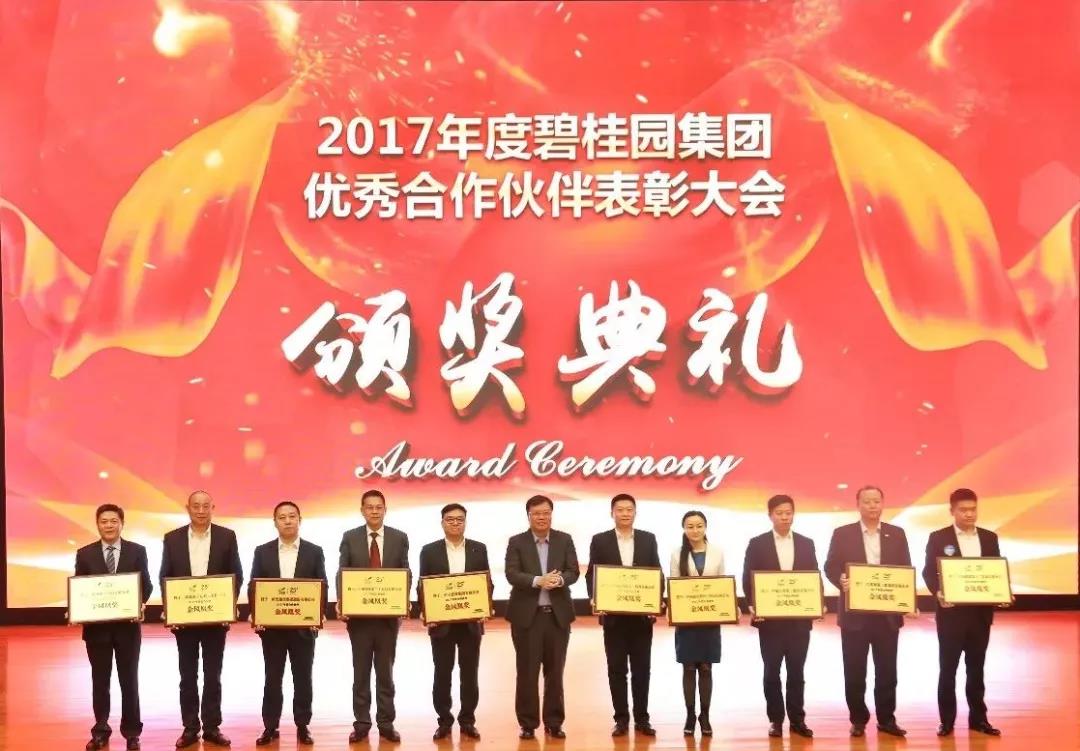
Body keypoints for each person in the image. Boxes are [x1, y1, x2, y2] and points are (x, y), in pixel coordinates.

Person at [824, 485, 912, 738]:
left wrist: (906, 599)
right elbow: (830, 566)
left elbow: (905, 568)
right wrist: (840, 579)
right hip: (855, 616)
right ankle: (858, 719)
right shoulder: (843, 534)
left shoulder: (897, 534)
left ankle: (887, 719)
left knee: (887, 671)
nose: (872, 506)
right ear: (858, 505)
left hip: (887, 615)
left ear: (882, 504)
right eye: (867, 501)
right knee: (854, 671)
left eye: (876, 501)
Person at [160, 490, 244, 749]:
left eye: (205, 506)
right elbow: (165, 575)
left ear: (212, 508)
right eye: (195, 506)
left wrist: (227, 606)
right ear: (188, 508)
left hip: (215, 620)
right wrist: (171, 609)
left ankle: (211, 727)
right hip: (184, 620)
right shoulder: (172, 538)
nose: (200, 510)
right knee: (187, 676)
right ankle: (190, 728)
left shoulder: (226, 536)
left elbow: (236, 574)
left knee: (213, 675)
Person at [922, 488, 1005, 737]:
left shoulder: (989, 537)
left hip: (980, 615)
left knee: (976, 669)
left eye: (973, 509)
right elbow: (929, 572)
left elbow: (995, 572)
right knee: (948, 669)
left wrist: (1000, 593)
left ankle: (979, 719)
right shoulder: (939, 537)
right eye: (963, 510)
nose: (969, 514)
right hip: (951, 615)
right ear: (952, 511)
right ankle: (947, 721)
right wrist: (938, 592)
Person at [250, 501, 328, 747]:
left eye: (292, 516)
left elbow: (322, 584)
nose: (287, 521)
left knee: (303, 677)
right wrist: (256, 614)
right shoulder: (262, 551)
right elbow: (254, 585)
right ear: (275, 522)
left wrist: (318, 613)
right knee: (272, 678)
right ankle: (270, 726)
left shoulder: (314, 551)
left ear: (299, 520)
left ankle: (303, 725)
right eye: (282, 517)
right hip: (272, 629)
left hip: (303, 628)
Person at [76, 503, 153, 751]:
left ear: (122, 524)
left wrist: (138, 603)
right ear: (97, 525)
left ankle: (132, 733)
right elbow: (80, 589)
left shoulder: (137, 551)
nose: (109, 525)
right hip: (96, 631)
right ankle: (100, 730)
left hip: (127, 629)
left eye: (113, 521)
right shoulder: (85, 554)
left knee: (129, 680)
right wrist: (77, 608)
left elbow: (147, 585)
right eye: (104, 521)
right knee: (100, 681)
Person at [741, 494, 818, 739]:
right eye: (779, 513)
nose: (785, 517)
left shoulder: (806, 543)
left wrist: (817, 603)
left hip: (798, 621)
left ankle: (797, 719)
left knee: (797, 672)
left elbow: (813, 576)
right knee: (771, 672)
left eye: (788, 513)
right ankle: (775, 720)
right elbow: (748, 578)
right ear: (770, 515)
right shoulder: (757, 543)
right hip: (770, 622)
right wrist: (754, 605)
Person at [586, 493, 662, 737]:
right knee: (616, 670)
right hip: (614, 618)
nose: (625, 513)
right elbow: (592, 574)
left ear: (635, 512)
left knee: (642, 670)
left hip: (641, 618)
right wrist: (596, 598)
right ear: (612, 513)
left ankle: (642, 719)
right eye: (620, 509)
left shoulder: (648, 539)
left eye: (629, 509)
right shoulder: (600, 540)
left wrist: (656, 599)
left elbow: (656, 572)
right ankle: (621, 719)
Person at [505, 494, 580, 740]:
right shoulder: (516, 541)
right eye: (536, 513)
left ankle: (554, 722)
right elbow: (512, 573)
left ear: (551, 514)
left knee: (555, 672)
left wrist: (559, 580)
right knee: (527, 672)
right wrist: (538, 580)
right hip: (528, 618)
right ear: (528, 516)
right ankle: (527, 724)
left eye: (546, 513)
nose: (542, 517)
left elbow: (573, 571)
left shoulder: (564, 539)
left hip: (557, 617)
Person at [338, 489, 410, 743]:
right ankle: (362, 723)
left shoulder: (399, 537)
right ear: (362, 510)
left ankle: (386, 723)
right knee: (360, 673)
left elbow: (405, 571)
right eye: (369, 507)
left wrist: (403, 600)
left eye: (379, 507)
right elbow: (342, 572)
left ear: (385, 510)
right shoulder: (350, 537)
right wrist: (343, 601)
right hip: (359, 620)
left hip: (388, 619)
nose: (374, 511)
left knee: (385, 673)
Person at [417, 503, 491, 741]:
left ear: (465, 522)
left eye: (460, 519)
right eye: (450, 519)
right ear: (442, 523)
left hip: (471, 623)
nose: (455, 523)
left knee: (470, 674)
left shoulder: (479, 548)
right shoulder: (429, 551)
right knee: (442, 673)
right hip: (442, 624)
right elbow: (423, 584)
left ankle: (468, 720)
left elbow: (486, 582)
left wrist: (485, 605)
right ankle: (444, 721)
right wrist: (426, 611)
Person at [668, 510, 723, 737]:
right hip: (687, 619)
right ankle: (690, 715)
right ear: (684, 529)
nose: (695, 530)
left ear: (705, 527)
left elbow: (722, 585)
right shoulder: (677, 553)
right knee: (689, 667)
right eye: (690, 526)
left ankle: (705, 715)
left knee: (706, 668)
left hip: (710, 617)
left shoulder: (717, 552)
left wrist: (729, 606)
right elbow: (673, 585)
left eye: (699, 525)